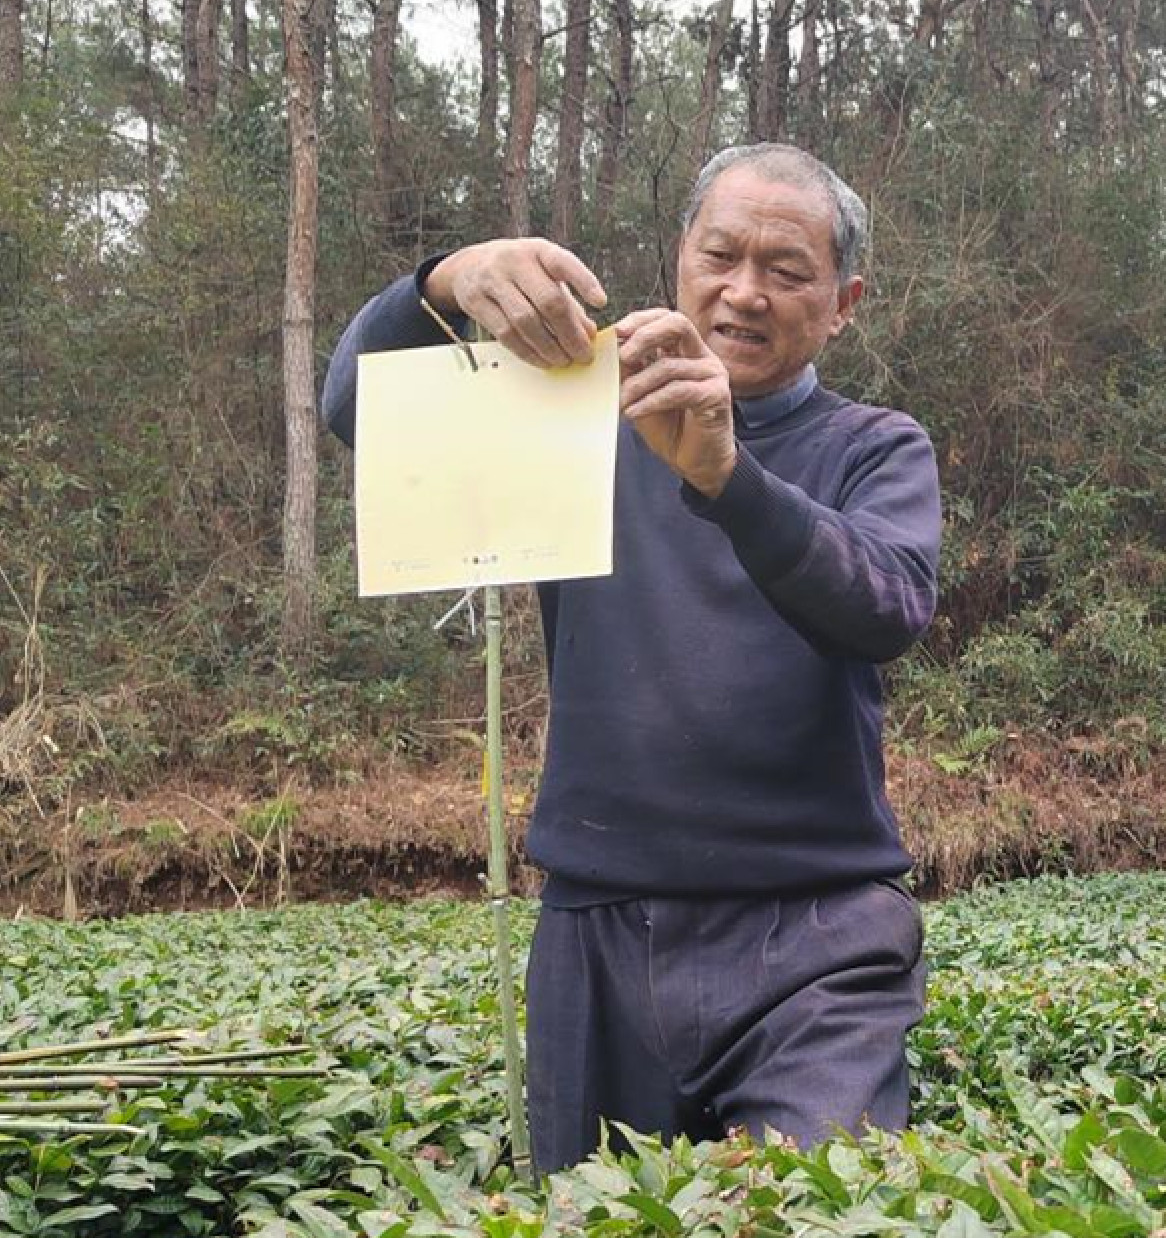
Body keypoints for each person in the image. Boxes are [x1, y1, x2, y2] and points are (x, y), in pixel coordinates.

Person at [319, 143, 940, 1170]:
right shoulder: (577, 412)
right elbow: (363, 415)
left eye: (786, 272)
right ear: (680, 256)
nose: (744, 292)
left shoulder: (874, 447)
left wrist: (727, 477)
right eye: (721, 255)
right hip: (598, 931)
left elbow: (886, 604)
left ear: (844, 304)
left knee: (811, 1204)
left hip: (819, 936)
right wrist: (440, 281)